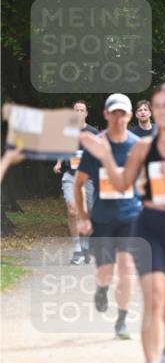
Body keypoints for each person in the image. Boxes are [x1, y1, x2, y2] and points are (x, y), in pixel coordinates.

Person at [82, 84, 165, 363]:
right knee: (154, 298)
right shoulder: (142, 149)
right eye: (158, 106)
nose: (163, 111)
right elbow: (122, 182)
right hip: (151, 225)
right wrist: (107, 156)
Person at [74, 93, 141, 340]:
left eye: (123, 113)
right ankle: (102, 289)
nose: (118, 118)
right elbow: (78, 183)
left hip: (131, 216)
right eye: (114, 113)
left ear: (130, 116)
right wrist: (82, 215)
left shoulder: (137, 145)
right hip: (102, 217)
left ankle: (121, 321)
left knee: (127, 268)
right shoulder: (95, 146)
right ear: (106, 115)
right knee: (106, 272)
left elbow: (145, 182)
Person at [53, 100, 98, 264]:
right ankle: (77, 250)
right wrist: (58, 162)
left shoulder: (93, 131)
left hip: (89, 178)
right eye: (76, 110)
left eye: (82, 110)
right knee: (73, 212)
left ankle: (86, 247)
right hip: (70, 176)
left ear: (86, 114)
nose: (79, 113)